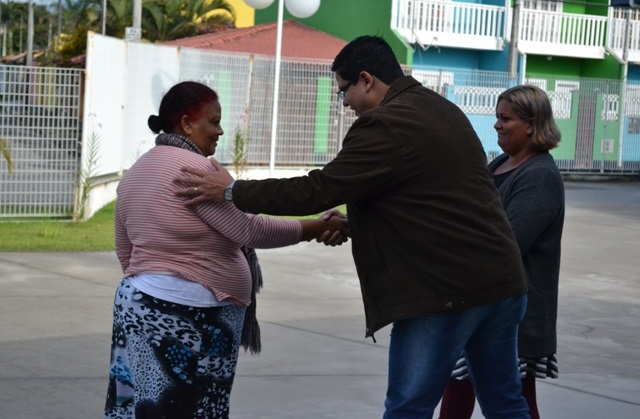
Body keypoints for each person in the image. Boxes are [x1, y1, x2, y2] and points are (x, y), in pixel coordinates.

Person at [173, 36, 531, 418]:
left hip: (445, 292)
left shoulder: (386, 123)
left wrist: (231, 190)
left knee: (407, 408)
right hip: (501, 283)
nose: (344, 104)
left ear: (367, 79)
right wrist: (357, 224)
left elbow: (318, 189)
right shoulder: (439, 108)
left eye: (344, 91)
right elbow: (433, 204)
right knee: (505, 404)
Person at [104, 81, 348, 419]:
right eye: (213, 122)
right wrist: (315, 227)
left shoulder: (133, 174)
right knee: (196, 410)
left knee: (141, 407)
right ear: (187, 123)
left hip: (137, 304)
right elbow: (249, 229)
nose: (220, 131)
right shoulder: (197, 171)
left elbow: (125, 252)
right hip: (192, 313)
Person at [439, 85, 565, 419]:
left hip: (513, 315)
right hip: (480, 303)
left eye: (505, 118)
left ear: (531, 123)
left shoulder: (539, 176)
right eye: (497, 117)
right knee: (475, 394)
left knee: (512, 402)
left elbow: (505, 243)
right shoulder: (501, 164)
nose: (496, 125)